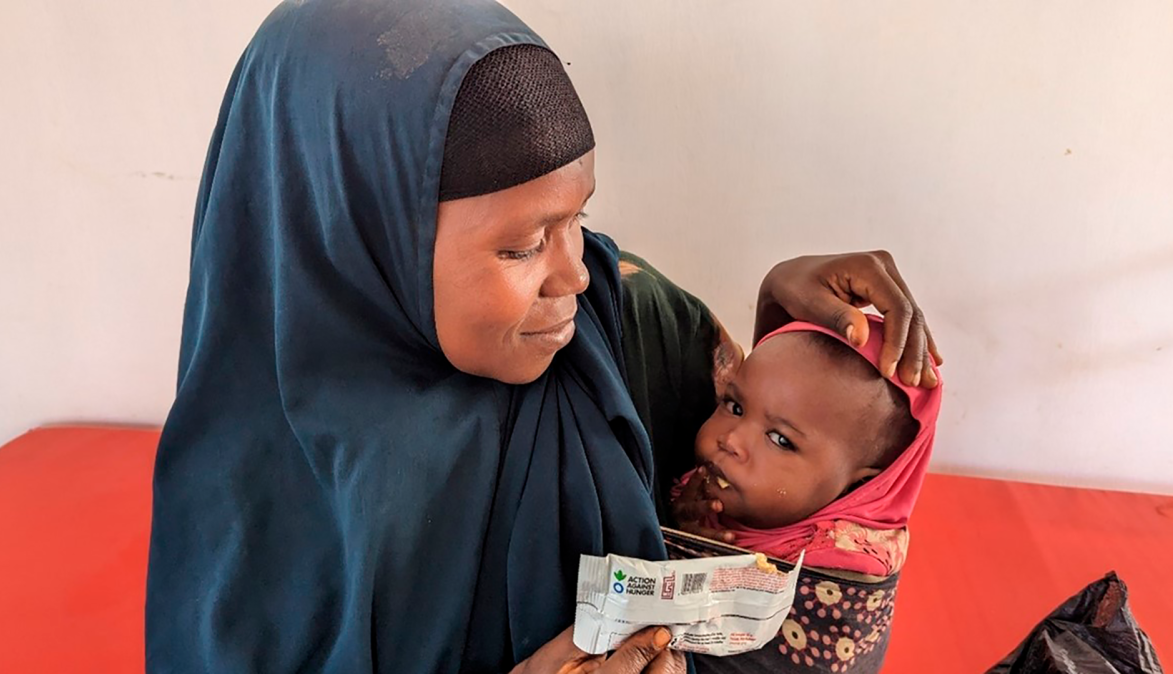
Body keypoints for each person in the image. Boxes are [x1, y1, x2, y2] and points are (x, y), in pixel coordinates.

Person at [144, 1, 942, 673]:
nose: (577, 275)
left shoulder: (620, 320)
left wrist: (787, 328)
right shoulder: (246, 503)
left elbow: (830, 550)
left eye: (579, 219)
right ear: (353, 231)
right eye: (522, 246)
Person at [670, 316, 942, 672]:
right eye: (735, 406)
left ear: (856, 487)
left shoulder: (839, 569)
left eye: (780, 440)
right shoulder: (712, 484)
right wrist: (679, 522)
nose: (731, 440)